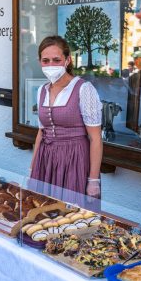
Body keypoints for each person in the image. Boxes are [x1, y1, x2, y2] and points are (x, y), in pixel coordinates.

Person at [30, 36, 103, 198]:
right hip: (46, 160)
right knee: (43, 210)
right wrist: (32, 168)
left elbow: (95, 138)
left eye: (56, 60)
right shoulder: (42, 90)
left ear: (68, 60)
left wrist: (93, 180)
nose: (50, 65)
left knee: (71, 215)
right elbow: (41, 133)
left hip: (74, 160)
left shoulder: (83, 89)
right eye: (45, 60)